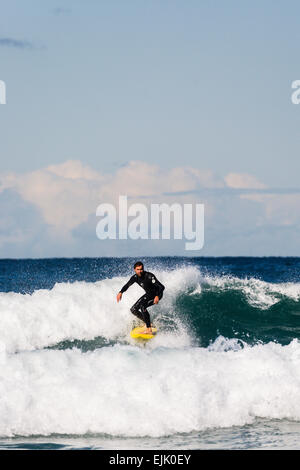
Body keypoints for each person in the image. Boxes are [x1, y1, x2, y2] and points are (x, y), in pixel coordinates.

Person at [116, 261, 165, 334]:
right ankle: (148, 323)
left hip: (157, 294)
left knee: (143, 306)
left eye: (141, 269)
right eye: (138, 269)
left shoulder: (149, 276)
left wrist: (157, 296)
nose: (140, 271)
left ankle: (149, 329)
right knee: (133, 309)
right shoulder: (135, 277)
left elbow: (161, 287)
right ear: (134, 270)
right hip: (148, 294)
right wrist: (121, 292)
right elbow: (127, 285)